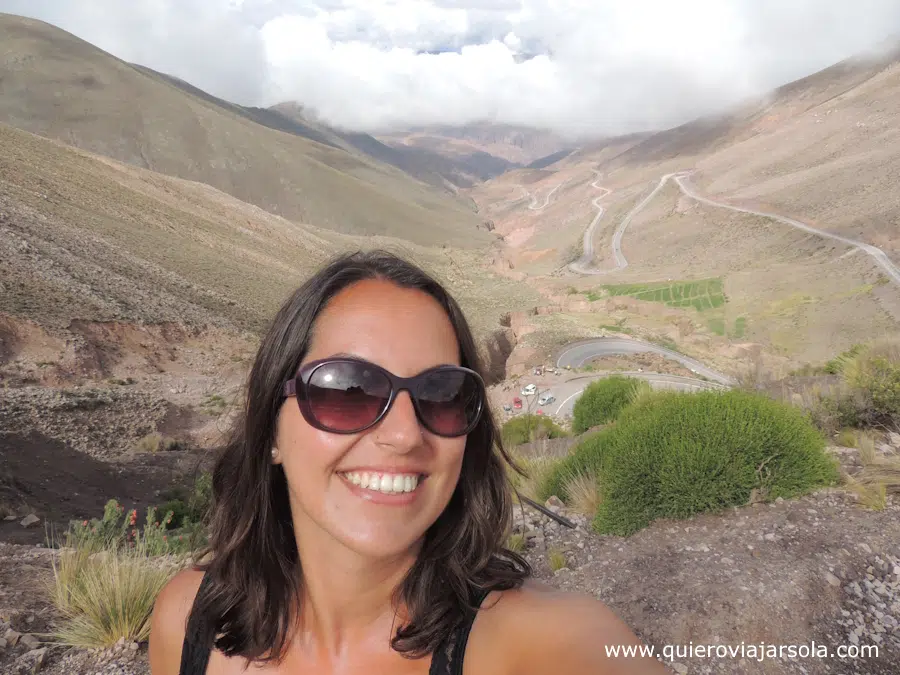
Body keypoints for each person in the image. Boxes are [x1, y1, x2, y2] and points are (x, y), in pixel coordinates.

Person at [148, 250, 667, 674]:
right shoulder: (188, 622)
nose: (403, 434)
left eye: (441, 395)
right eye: (347, 389)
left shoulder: (556, 646)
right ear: (271, 433)